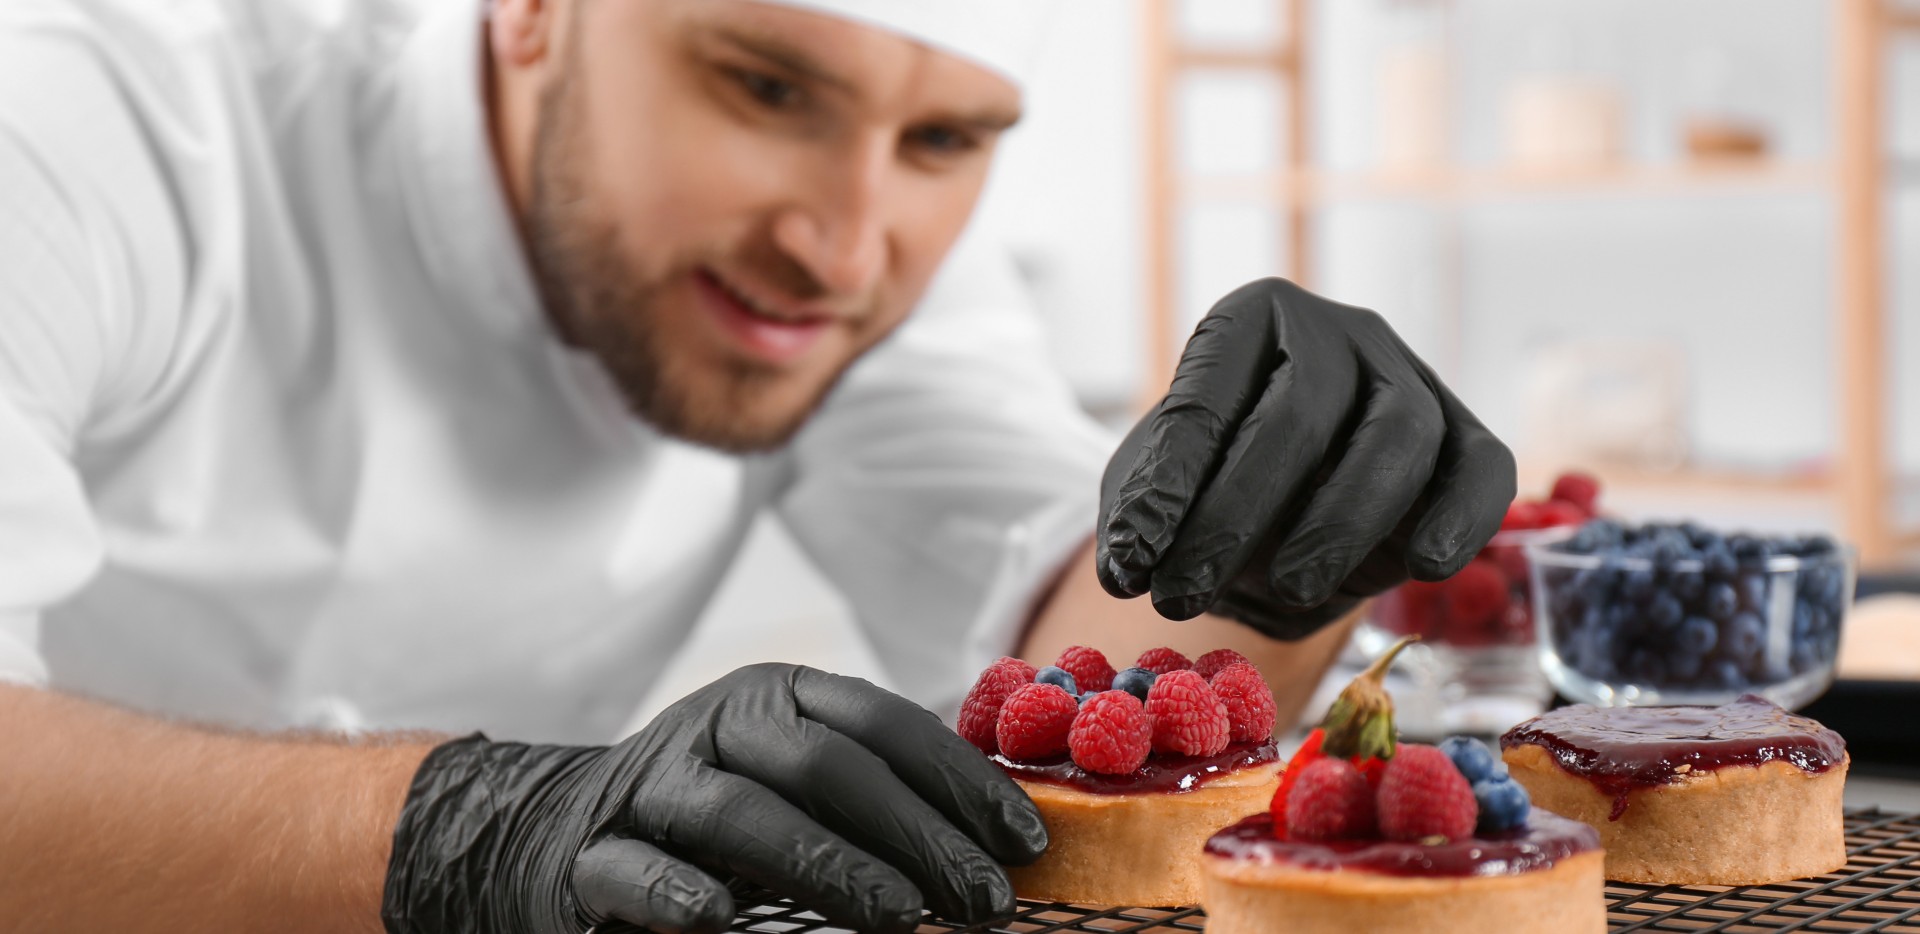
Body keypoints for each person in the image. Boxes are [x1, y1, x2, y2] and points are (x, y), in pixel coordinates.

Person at [0, 0, 1515, 931]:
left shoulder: (837, 292)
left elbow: (1099, 673)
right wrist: (467, 826)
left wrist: (1294, 527)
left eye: (943, 142)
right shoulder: (91, 128)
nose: (845, 247)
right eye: (765, 88)